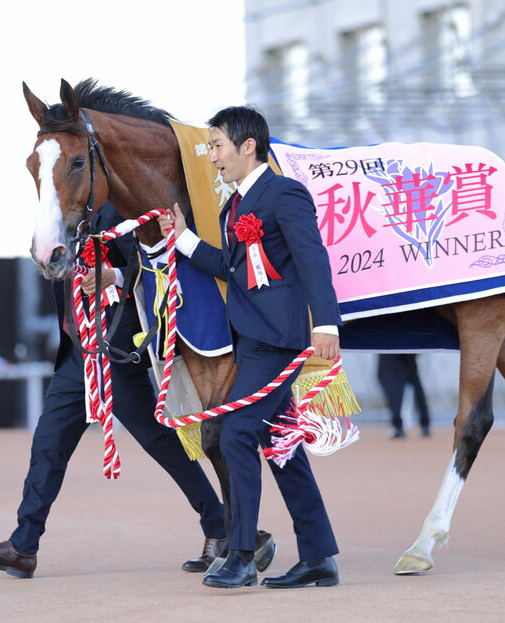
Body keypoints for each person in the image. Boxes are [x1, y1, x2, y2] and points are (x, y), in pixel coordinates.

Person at [0, 203, 228, 579]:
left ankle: (219, 527)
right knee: (48, 444)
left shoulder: (120, 207)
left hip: (114, 350)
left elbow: (153, 264)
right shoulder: (62, 216)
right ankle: (23, 548)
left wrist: (113, 275)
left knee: (160, 442)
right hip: (77, 351)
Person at [161, 106, 341, 589]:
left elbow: (312, 259)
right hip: (252, 340)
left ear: (248, 146)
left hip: (278, 340)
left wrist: (327, 323)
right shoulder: (231, 207)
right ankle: (319, 556)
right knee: (282, 447)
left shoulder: (284, 193)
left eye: (218, 145)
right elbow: (236, 270)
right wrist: (182, 241)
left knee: (237, 433)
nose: (213, 156)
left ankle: (241, 555)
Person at [377, 353, 431, 439]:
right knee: (412, 379)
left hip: (390, 346)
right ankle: (425, 423)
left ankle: (398, 425)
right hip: (408, 345)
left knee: (393, 383)